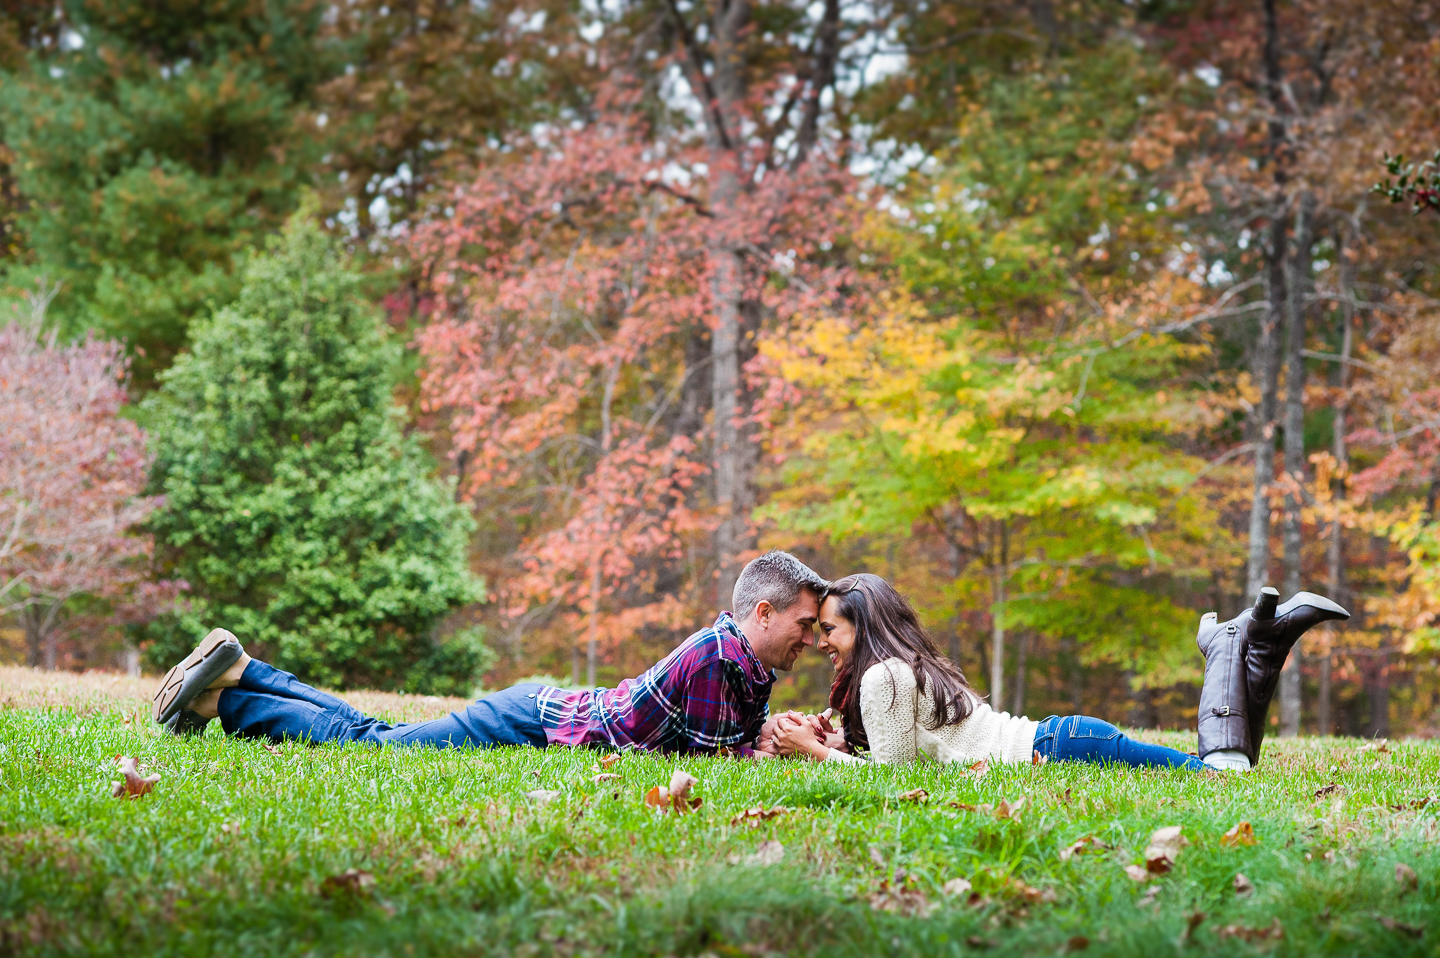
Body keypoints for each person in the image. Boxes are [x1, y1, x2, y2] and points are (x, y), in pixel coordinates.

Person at [151, 550, 827, 756]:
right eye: (803, 623)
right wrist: (781, 751)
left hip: (544, 711)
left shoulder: (745, 663)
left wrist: (773, 730)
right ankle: (236, 688)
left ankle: (236, 682)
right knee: (376, 745)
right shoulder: (716, 657)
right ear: (761, 613)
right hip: (528, 719)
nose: (812, 638)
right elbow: (711, 763)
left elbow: (719, 737)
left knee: (375, 734)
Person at [772, 573, 1347, 772]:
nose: (822, 641)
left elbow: (894, 781)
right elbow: (909, 755)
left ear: (864, 627)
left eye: (831, 629)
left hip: (1066, 746)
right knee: (1218, 770)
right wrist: (836, 737)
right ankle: (1253, 640)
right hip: (1065, 738)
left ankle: (1242, 642)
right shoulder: (895, 670)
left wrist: (813, 750)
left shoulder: (882, 676)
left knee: (1215, 777)